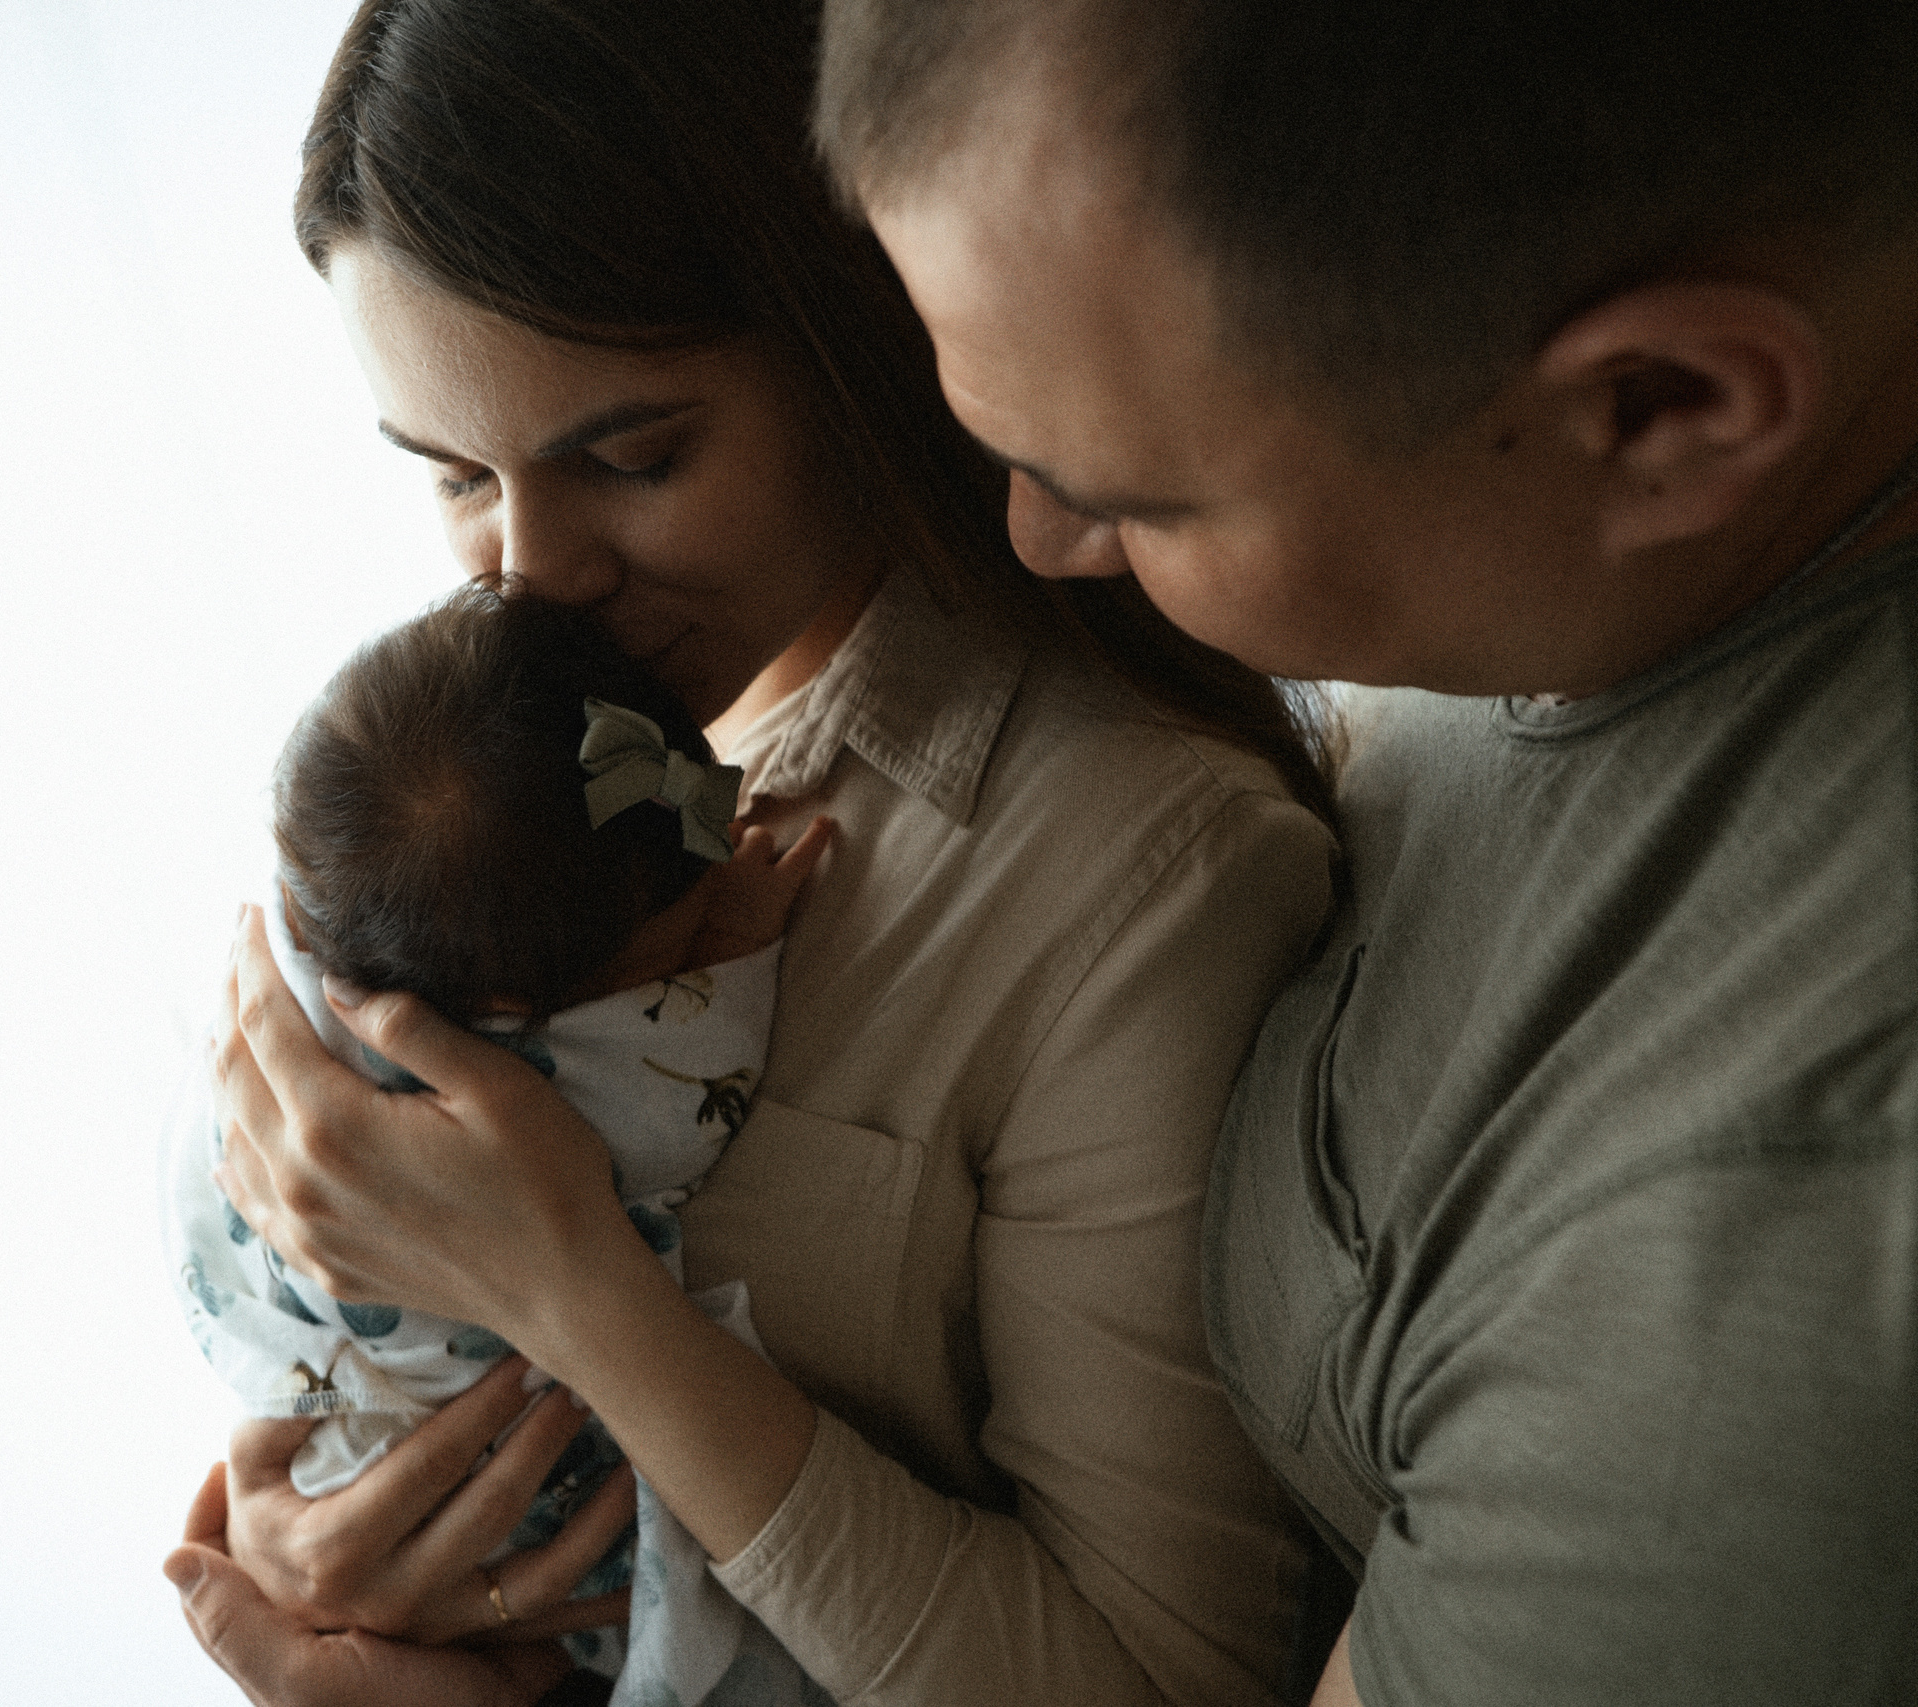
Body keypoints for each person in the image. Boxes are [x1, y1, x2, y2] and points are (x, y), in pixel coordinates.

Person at [162, 1, 1342, 1704]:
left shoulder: (1135, 875)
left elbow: (1161, 1679)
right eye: (456, 475)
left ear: (856, 330)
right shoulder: (495, 768)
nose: (529, 574)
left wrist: (576, 1291)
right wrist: (305, 1512)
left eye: (632, 456)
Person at [812, 2, 1918, 1704]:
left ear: (1665, 407)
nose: (1039, 539)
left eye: (1137, 497)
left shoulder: (1754, 1288)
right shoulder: (1556, 505)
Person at [168, 585, 832, 1704]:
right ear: (515, 1020)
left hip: (331, 1454)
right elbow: (678, 1115)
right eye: (676, 948)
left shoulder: (329, 927)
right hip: (454, 1464)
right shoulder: (522, 1081)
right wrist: (745, 944)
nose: (722, 861)